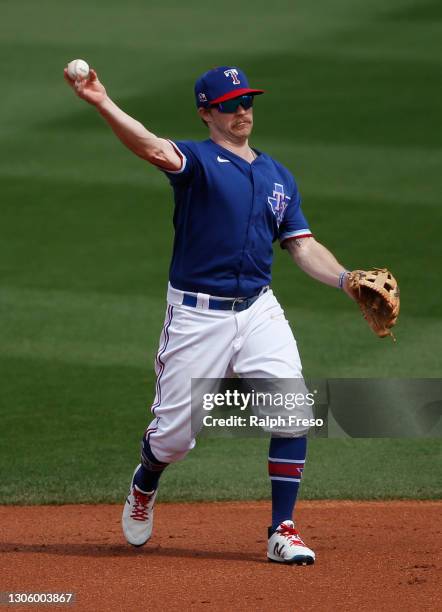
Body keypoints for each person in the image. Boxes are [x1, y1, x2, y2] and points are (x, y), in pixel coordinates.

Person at [64, 64, 353, 565]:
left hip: (260, 309)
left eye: (247, 102)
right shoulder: (196, 161)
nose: (242, 111)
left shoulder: (277, 175)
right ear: (206, 112)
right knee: (173, 439)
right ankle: (146, 479)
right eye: (229, 104)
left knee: (291, 410)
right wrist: (102, 102)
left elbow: (302, 247)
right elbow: (152, 147)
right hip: (197, 318)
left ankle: (282, 529)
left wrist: (347, 279)